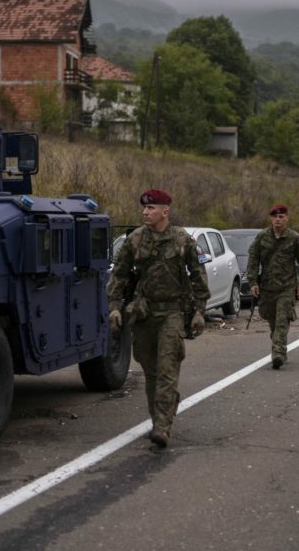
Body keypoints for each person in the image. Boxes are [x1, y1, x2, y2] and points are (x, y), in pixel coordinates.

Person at [107, 189, 209, 449]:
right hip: (143, 313)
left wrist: (199, 310)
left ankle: (162, 427)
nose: (145, 212)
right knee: (151, 371)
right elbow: (119, 275)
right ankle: (160, 415)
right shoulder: (135, 240)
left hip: (173, 313)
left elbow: (198, 275)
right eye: (144, 208)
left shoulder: (182, 239)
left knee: (167, 369)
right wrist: (115, 307)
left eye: (151, 208)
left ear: (165, 211)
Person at [246, 204, 299, 369]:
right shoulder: (262, 237)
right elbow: (253, 259)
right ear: (271, 219)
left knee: (282, 320)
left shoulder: (294, 238)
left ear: (287, 218)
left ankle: (278, 354)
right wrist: (253, 282)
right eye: (275, 217)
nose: (278, 219)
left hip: (286, 288)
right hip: (267, 289)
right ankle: (278, 345)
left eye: (281, 217)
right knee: (272, 321)